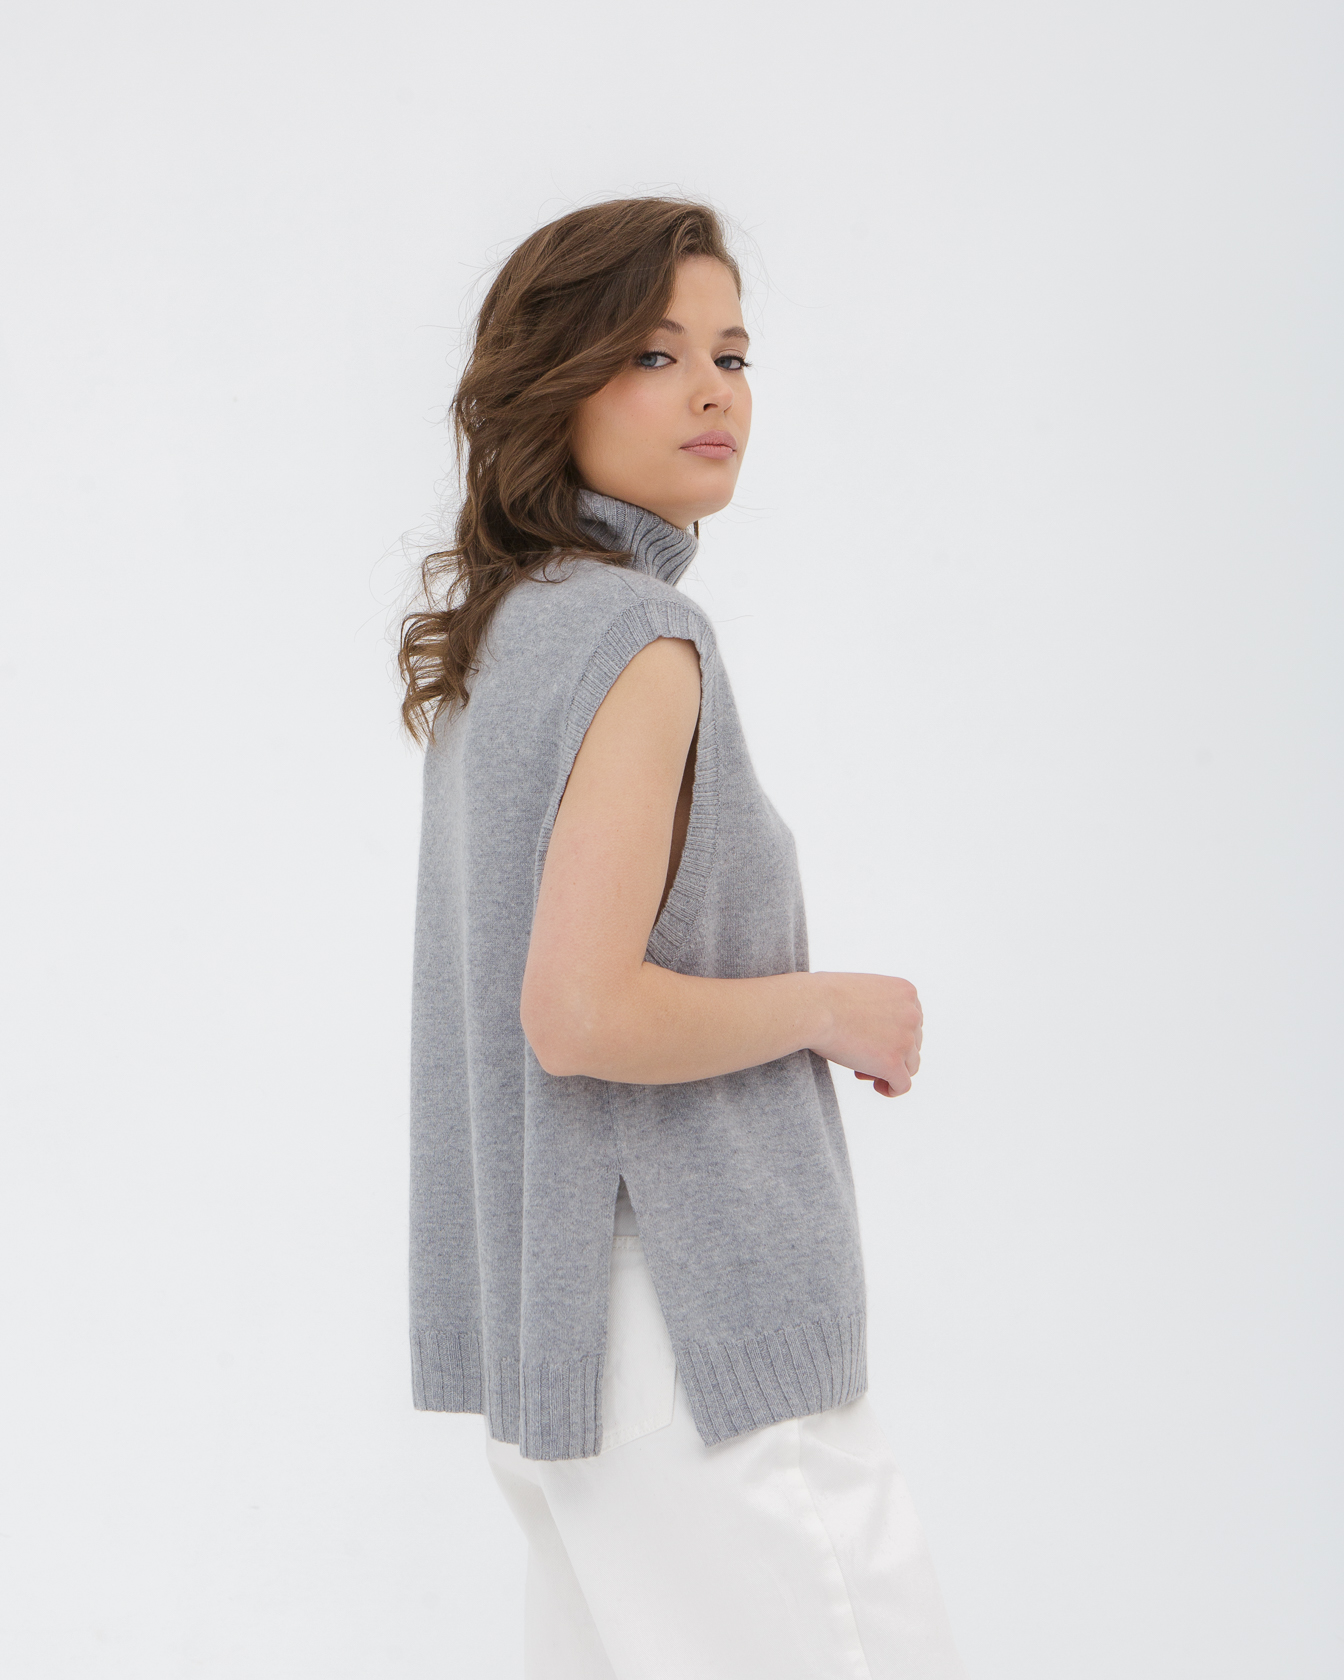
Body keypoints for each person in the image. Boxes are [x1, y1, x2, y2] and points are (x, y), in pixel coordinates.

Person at [400, 197, 966, 1679]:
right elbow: (579, 1012)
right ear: (553, 385)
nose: (715, 390)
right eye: (656, 354)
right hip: (694, 1339)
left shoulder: (509, 633)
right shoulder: (636, 639)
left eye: (732, 352)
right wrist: (829, 1006)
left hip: (576, 1343)